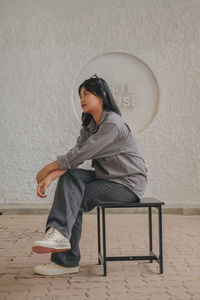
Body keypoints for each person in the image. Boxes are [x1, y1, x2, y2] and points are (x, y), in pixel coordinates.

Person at [32, 74, 148, 276]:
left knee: (72, 199)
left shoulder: (113, 123)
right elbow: (75, 157)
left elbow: (83, 153)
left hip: (127, 183)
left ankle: (65, 259)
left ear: (101, 96)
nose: (82, 99)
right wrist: (51, 176)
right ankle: (60, 241)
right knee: (71, 178)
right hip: (107, 177)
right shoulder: (89, 126)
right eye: (80, 95)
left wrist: (49, 168)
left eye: (86, 94)